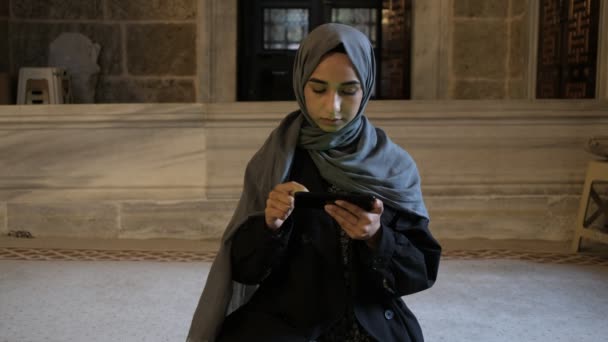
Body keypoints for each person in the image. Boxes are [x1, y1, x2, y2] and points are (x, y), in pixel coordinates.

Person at [187, 23, 441, 342]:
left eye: (348, 90)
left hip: (368, 321)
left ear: (367, 88)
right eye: (318, 89)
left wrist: (378, 237)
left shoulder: (393, 166)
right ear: (300, 84)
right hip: (285, 322)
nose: (331, 107)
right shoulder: (276, 159)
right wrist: (270, 226)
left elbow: (421, 272)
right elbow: (244, 270)